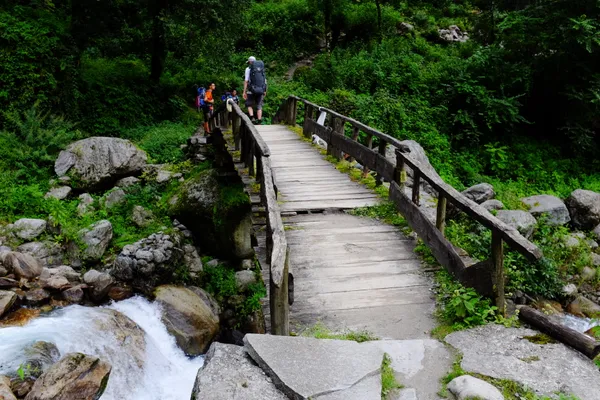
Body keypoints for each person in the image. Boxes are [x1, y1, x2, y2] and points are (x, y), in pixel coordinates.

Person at [243, 56, 267, 125]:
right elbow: (265, 80)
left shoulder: (248, 69)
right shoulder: (261, 68)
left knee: (249, 104)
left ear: (250, 62)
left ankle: (252, 117)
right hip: (261, 89)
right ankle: (259, 121)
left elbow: (246, 81)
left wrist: (244, 91)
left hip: (251, 90)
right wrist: (265, 90)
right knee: (259, 106)